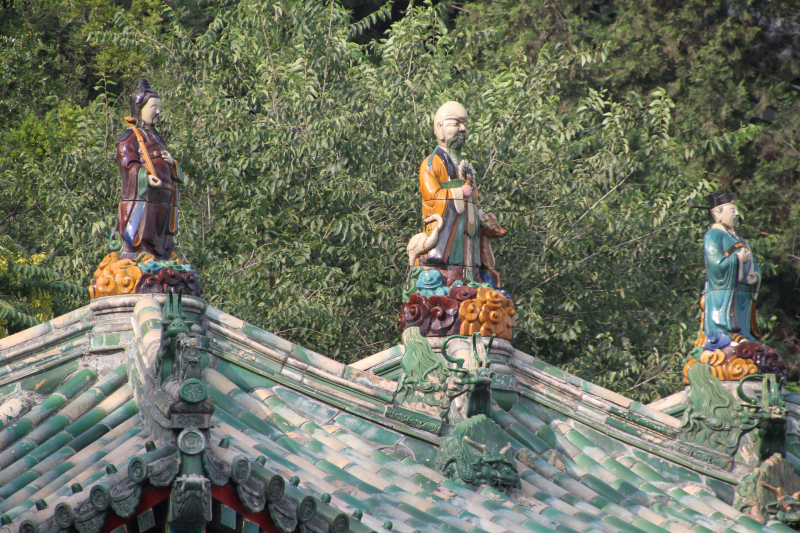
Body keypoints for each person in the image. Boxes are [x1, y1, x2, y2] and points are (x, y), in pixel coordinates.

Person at [418, 102, 503, 283]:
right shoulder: (431, 163)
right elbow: (431, 197)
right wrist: (457, 192)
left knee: (472, 265)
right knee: (451, 271)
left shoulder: (464, 164)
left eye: (464, 124)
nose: (462, 129)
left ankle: (472, 277)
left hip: (469, 229)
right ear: (439, 128)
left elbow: (475, 198)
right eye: (456, 123)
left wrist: (482, 214)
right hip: (448, 232)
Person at [115, 78, 183, 261]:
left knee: (162, 237)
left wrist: (172, 164)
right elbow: (126, 159)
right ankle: (139, 255)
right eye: (154, 107)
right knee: (143, 232)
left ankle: (162, 255)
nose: (158, 112)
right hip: (145, 195)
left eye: (159, 108)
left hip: (165, 196)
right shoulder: (132, 135)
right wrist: (144, 176)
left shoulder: (158, 137)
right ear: (140, 108)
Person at [703, 192, 761, 341]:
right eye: (732, 210)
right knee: (726, 339)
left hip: (743, 293)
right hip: (724, 295)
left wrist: (755, 274)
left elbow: (753, 262)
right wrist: (738, 258)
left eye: (737, 210)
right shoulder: (713, 235)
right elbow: (715, 264)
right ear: (717, 213)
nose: (737, 214)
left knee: (746, 336)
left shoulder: (739, 239)